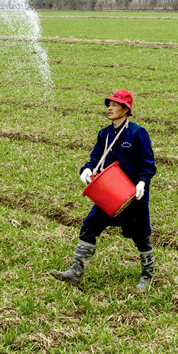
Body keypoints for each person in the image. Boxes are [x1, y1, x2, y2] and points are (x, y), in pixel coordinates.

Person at [50, 89, 157, 290]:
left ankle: (147, 275)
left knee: (141, 235)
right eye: (109, 104)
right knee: (89, 226)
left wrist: (142, 182)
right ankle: (76, 272)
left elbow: (148, 163)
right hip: (109, 194)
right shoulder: (104, 133)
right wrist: (86, 170)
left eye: (115, 105)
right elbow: (95, 157)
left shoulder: (137, 133)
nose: (110, 108)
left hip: (133, 195)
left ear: (126, 109)